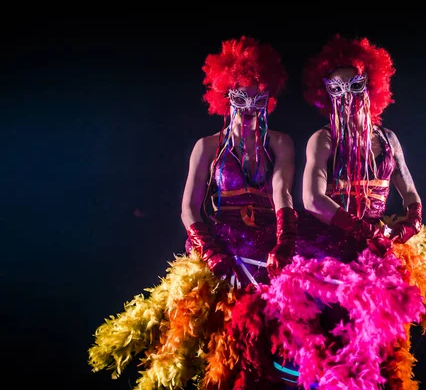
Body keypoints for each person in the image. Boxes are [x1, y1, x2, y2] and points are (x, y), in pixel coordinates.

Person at [88, 35, 297, 390]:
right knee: (212, 339)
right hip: (223, 245)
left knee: (287, 335)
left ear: (268, 99)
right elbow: (188, 207)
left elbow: (282, 190)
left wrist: (286, 239)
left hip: (267, 245)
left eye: (257, 99)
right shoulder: (207, 147)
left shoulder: (280, 142)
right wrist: (212, 251)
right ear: (225, 96)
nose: (248, 107)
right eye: (239, 97)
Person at [260, 34, 426, 389]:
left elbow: (410, 191)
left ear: (371, 85)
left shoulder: (387, 139)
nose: (348, 96)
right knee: (328, 342)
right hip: (332, 244)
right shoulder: (323, 139)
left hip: (381, 246)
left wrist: (409, 224)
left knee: (382, 345)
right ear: (325, 93)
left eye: (354, 85)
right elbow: (312, 199)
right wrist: (365, 233)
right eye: (337, 89)